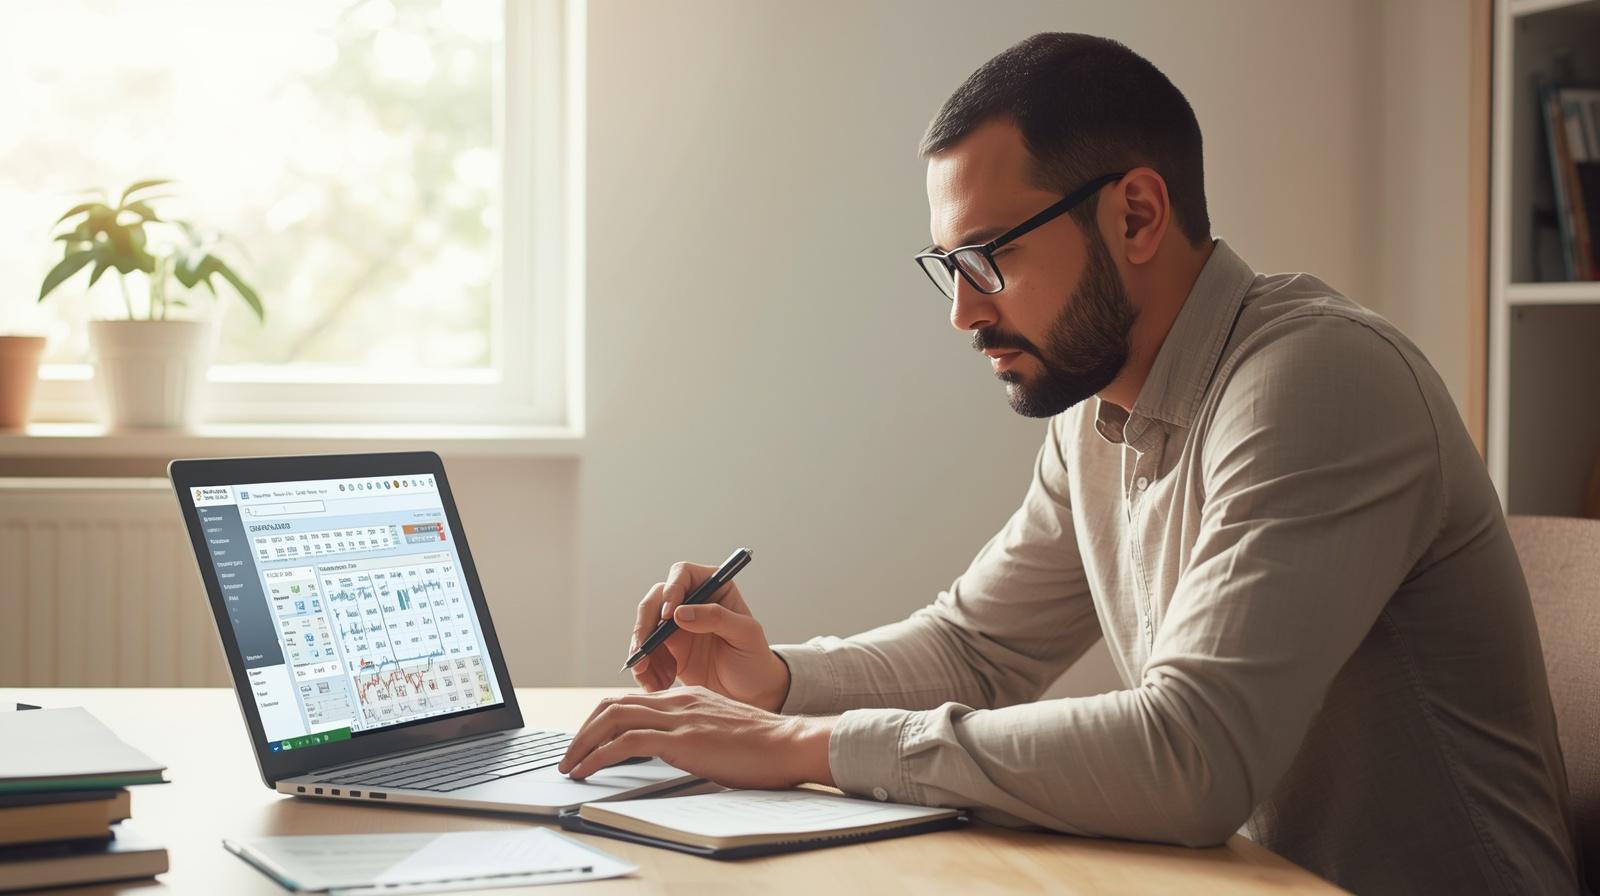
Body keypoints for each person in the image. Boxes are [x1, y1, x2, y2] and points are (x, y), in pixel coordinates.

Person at [557, 33, 1581, 894]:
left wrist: (800, 747)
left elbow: (1193, 754)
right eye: (948, 265)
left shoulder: (1317, 382)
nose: (963, 309)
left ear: (1136, 213)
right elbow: (975, 649)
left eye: (988, 255)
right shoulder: (1098, 409)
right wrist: (774, 683)